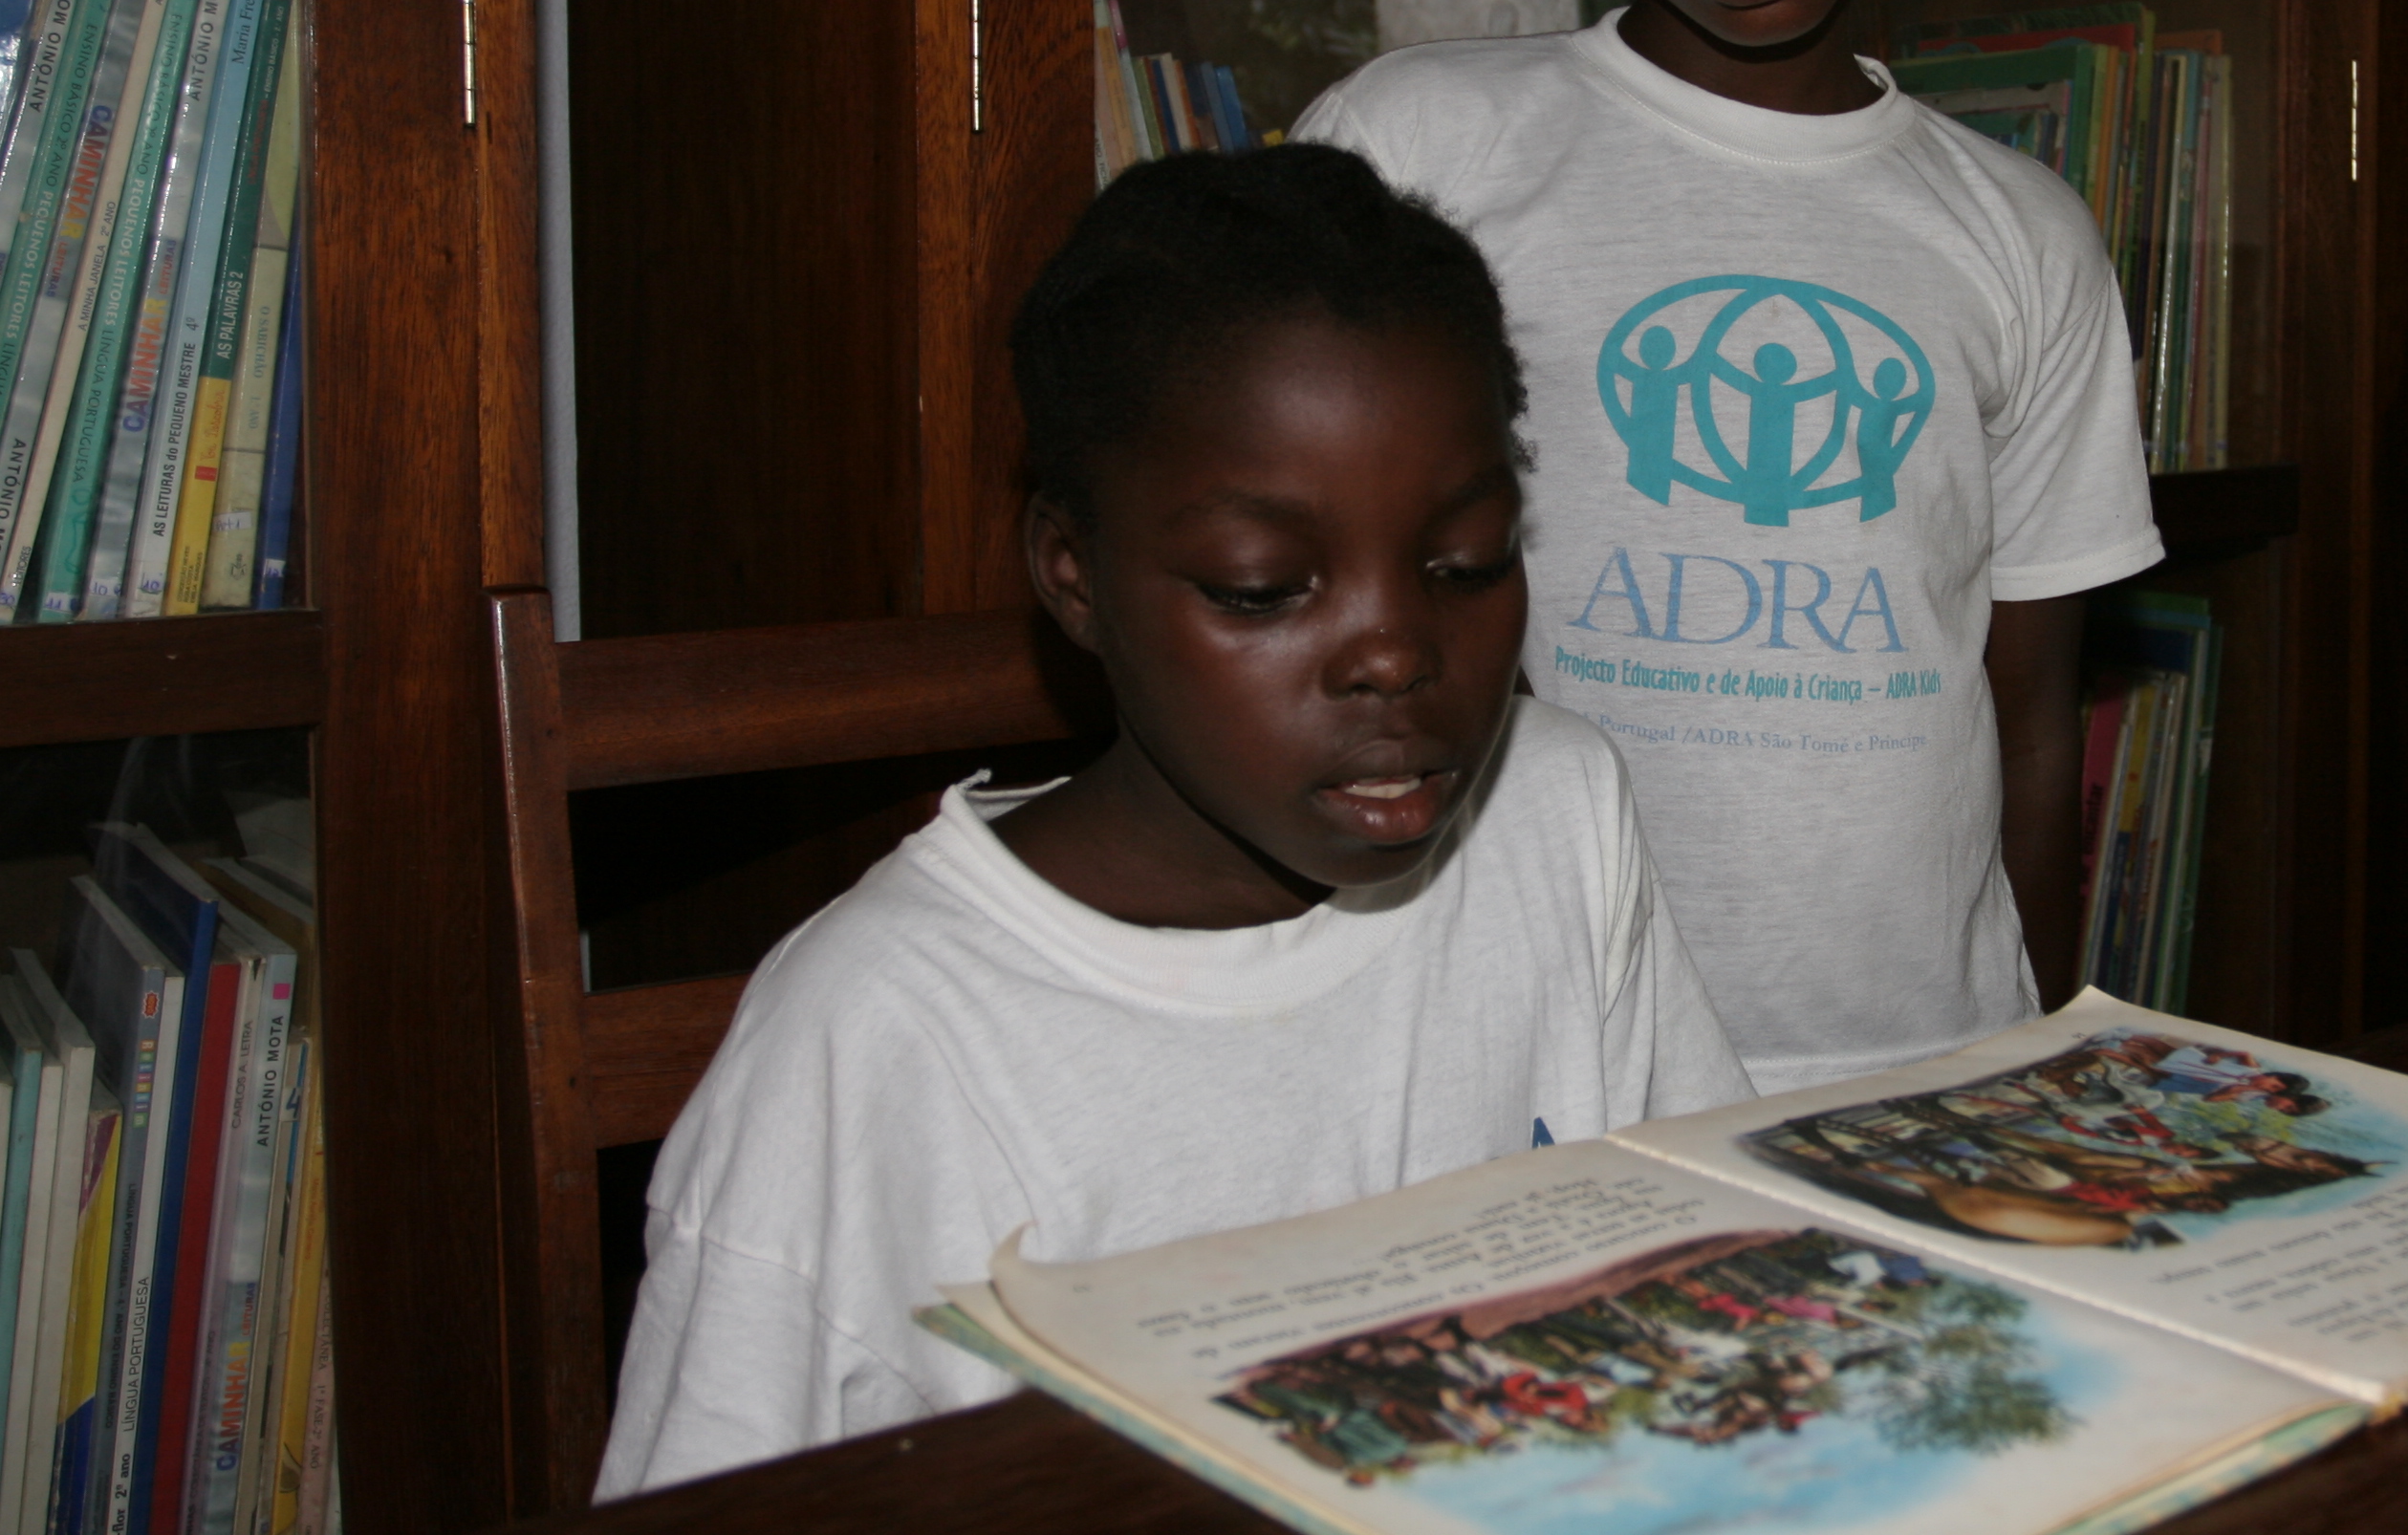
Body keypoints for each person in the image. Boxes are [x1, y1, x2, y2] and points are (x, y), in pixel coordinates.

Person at [596, 145, 1750, 1495]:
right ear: (1073, 576)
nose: (1395, 653)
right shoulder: (882, 1041)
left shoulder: (1555, 814)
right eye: (1263, 587)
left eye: (1466, 562)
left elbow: (1725, 1270)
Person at [1292, 0, 2162, 1096]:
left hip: (1920, 1066)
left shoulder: (2021, 234)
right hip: (1536, 1066)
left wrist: (2046, 1062)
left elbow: (2032, 710)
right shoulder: (1419, 155)